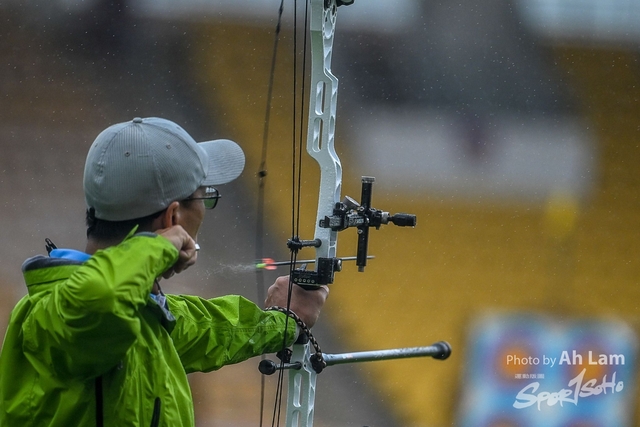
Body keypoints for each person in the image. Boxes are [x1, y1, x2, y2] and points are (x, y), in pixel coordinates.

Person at [0, 117, 329, 426]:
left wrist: (285, 319)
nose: (205, 208)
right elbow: (100, 297)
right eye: (205, 197)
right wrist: (158, 246)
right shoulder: (59, 315)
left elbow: (210, 329)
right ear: (173, 218)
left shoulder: (135, 315)